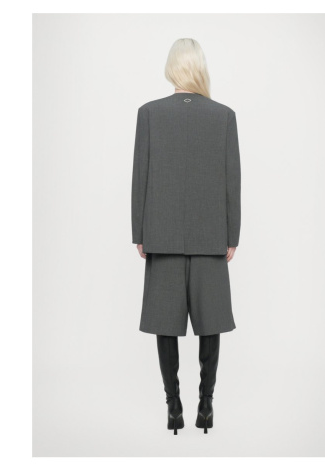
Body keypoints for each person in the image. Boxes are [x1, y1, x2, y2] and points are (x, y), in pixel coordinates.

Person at [131, 38, 241, 435]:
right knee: (211, 322)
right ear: (199, 67)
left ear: (171, 67)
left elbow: (140, 176)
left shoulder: (149, 114)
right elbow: (232, 181)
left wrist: (139, 232)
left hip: (161, 234)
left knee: (166, 321)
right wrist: (232, 234)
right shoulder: (223, 116)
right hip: (211, 237)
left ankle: (173, 406)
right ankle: (206, 406)